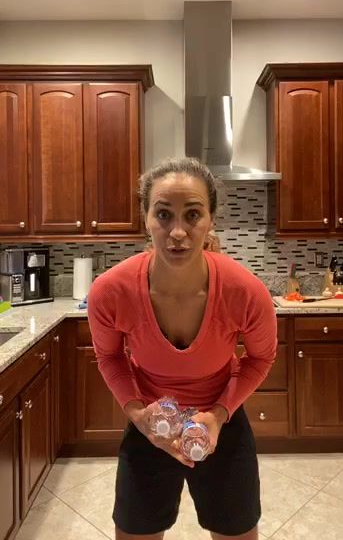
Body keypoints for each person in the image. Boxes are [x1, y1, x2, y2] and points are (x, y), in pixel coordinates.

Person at [88, 157, 277, 540]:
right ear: (145, 218)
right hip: (150, 424)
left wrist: (220, 414)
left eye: (192, 215)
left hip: (222, 424)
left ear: (211, 220)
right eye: (163, 214)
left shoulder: (245, 291)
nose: (177, 232)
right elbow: (109, 356)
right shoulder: (111, 291)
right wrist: (137, 413)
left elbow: (261, 357)